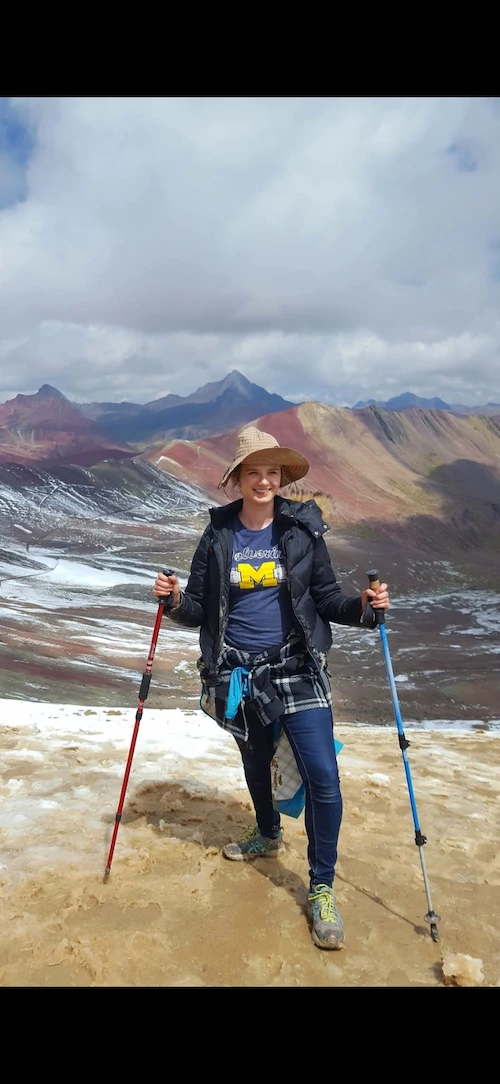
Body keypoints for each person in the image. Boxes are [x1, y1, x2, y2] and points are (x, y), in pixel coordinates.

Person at [152, 426, 389, 949]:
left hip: (297, 667)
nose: (263, 481)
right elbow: (197, 608)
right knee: (256, 763)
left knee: (323, 775)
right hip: (237, 671)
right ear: (237, 479)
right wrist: (171, 602)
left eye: (272, 473)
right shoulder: (217, 537)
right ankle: (268, 833)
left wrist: (364, 611)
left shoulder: (302, 531)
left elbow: (326, 598)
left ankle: (322, 886)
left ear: (281, 479)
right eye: (253, 472)